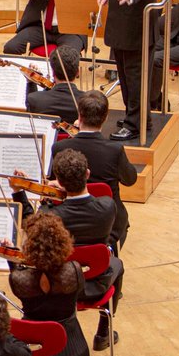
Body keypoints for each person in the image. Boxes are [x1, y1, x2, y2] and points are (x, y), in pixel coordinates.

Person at [10, 213, 91, 356]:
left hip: (30, 354)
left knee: (39, 353)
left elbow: (20, 276)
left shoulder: (19, 279)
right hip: (68, 351)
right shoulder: (73, 271)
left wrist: (13, 259)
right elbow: (80, 295)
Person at [41, 149, 124, 349]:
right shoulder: (107, 207)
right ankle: (103, 333)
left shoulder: (49, 215)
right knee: (118, 264)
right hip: (95, 286)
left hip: (58, 286)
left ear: (59, 181)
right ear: (87, 174)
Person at [97, 0, 164, 141]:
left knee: (136, 79)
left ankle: (136, 125)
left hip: (138, 25)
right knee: (124, 76)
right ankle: (134, 117)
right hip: (120, 23)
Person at [51, 90, 135, 249]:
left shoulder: (59, 148)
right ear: (106, 118)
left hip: (68, 220)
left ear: (79, 116)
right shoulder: (114, 150)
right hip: (108, 221)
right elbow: (130, 180)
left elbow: (53, 182)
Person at [26, 47, 86, 124]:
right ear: (78, 72)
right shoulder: (87, 102)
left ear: (53, 73)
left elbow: (32, 115)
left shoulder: (34, 99)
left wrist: (30, 83)